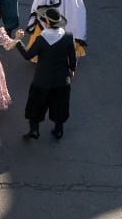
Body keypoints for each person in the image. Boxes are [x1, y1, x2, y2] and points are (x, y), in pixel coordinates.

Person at [16, 7, 78, 141]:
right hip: (61, 80)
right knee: (60, 106)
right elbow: (73, 58)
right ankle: (58, 131)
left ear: (47, 23)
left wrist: (18, 42)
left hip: (42, 80)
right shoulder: (68, 37)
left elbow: (27, 55)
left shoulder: (41, 40)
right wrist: (72, 69)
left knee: (36, 105)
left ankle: (34, 130)